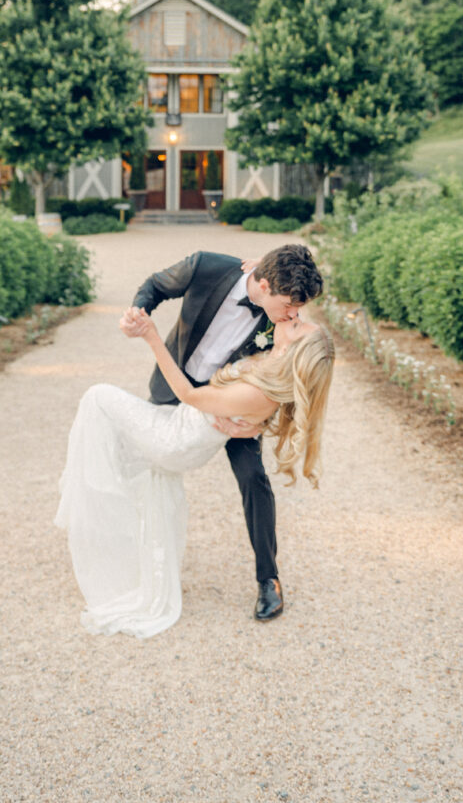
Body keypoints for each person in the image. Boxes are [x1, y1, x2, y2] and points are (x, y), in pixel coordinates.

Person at [55, 311, 334, 638]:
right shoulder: (273, 362)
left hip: (175, 438)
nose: (293, 315)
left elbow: (190, 395)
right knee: (121, 449)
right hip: (179, 424)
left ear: (293, 352)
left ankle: (97, 510)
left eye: (298, 326)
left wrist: (152, 337)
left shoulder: (260, 391)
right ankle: (110, 531)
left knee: (97, 396)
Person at [124, 244, 324, 621]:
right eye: (290, 305)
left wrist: (259, 421)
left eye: (298, 307)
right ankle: (148, 560)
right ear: (263, 284)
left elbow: (287, 378)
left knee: (253, 478)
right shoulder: (206, 266)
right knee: (152, 464)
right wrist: (138, 313)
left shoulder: (278, 318)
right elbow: (155, 286)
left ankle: (269, 579)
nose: (295, 314)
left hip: (233, 402)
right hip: (174, 385)